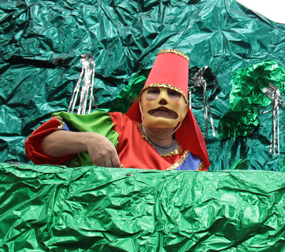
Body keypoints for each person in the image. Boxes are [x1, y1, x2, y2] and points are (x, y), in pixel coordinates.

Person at [25, 49, 210, 170]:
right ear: (140, 103)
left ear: (185, 111)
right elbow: (42, 145)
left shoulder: (194, 165)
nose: (162, 99)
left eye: (173, 94)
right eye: (153, 92)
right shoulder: (115, 128)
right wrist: (89, 140)